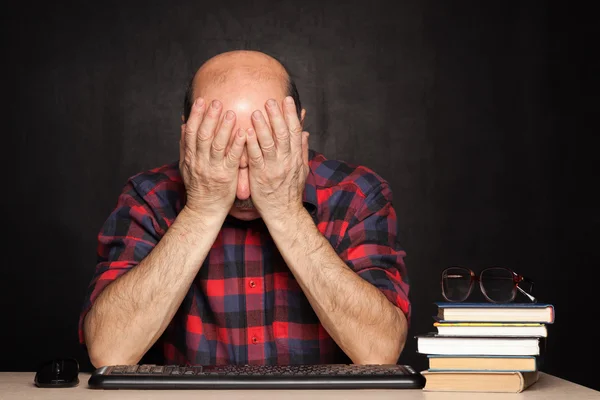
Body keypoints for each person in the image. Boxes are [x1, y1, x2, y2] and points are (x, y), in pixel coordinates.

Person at [79, 49, 411, 367]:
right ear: (187, 134)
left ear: (298, 128)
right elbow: (109, 351)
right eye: (220, 153)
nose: (241, 191)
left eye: (262, 155)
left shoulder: (356, 193)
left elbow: (380, 351)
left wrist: (285, 211)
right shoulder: (148, 196)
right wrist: (202, 209)